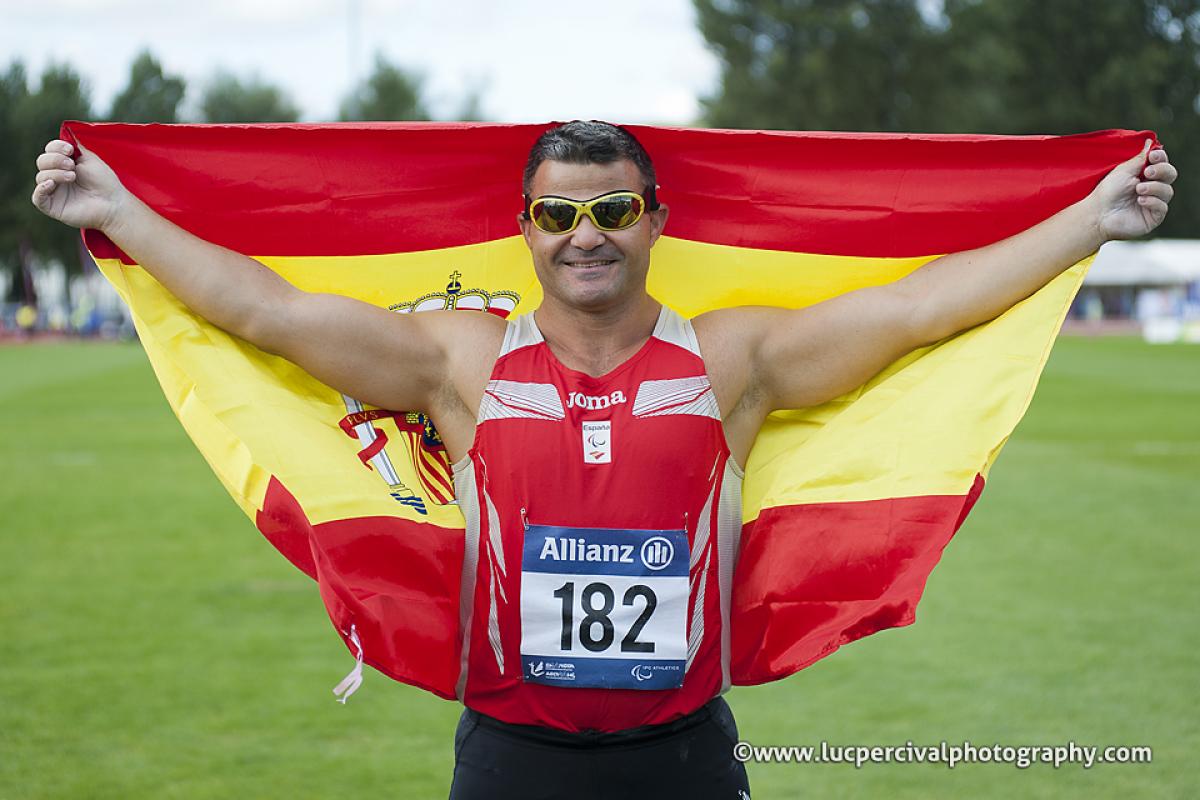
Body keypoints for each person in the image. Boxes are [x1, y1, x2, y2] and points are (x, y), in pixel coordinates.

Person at [32, 121, 1176, 799]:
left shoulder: (729, 362)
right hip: (511, 758)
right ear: (525, 227)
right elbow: (267, 309)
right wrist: (116, 210)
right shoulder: (463, 365)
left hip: (679, 755)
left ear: (655, 219)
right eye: (560, 214)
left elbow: (924, 304)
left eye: (614, 210)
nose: (587, 235)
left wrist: (1093, 219)